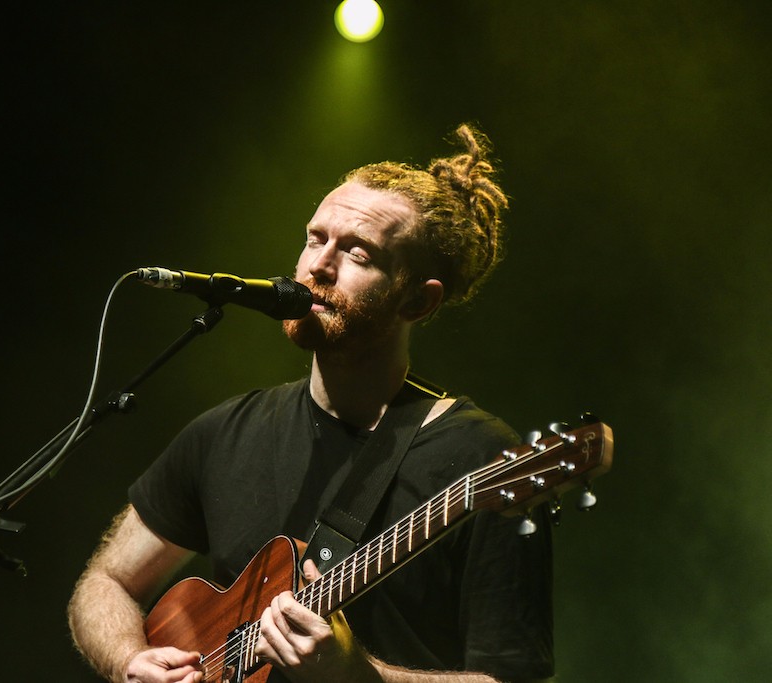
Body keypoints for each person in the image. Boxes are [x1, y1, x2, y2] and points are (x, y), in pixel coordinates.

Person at [67, 125, 554, 683]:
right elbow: (104, 582)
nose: (318, 266)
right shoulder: (225, 433)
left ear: (418, 299)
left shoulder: (484, 457)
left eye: (357, 252)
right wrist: (130, 660)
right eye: (314, 238)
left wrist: (359, 675)